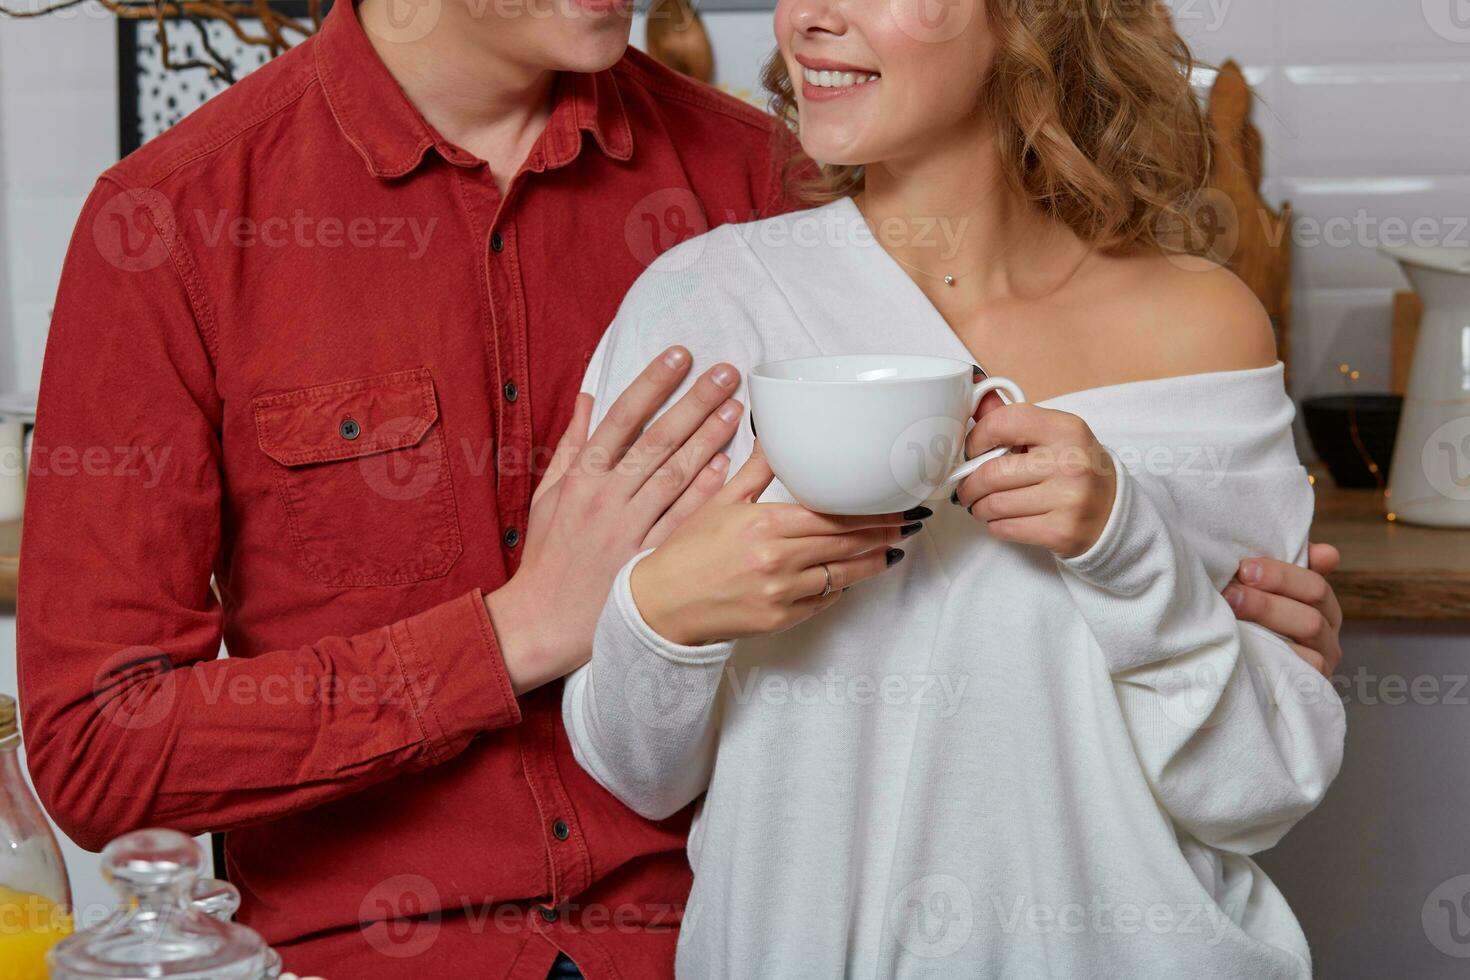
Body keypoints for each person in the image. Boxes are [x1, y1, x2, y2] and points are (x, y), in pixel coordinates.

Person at [17, 0, 1340, 976]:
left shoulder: (765, 186)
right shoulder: (179, 223)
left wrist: (1193, 604)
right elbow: (92, 749)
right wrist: (518, 633)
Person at [562, 0, 1346, 976]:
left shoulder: (1202, 326)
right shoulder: (708, 305)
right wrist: (666, 613)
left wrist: (1131, 547)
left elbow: (1259, 785)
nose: (808, 16)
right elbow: (637, 771)